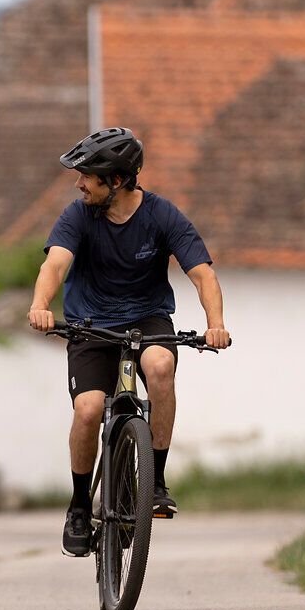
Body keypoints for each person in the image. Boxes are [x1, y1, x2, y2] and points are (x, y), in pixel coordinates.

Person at [26, 127, 230, 557]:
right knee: (89, 409)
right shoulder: (78, 215)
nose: (79, 184)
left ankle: (153, 482)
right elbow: (56, 264)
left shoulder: (162, 215)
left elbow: (203, 273)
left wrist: (216, 323)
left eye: (88, 176)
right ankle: (81, 505)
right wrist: (41, 304)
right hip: (90, 323)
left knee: (160, 368)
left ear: (116, 181)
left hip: (146, 317)